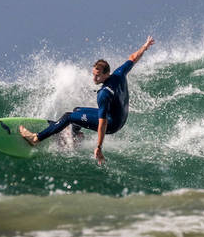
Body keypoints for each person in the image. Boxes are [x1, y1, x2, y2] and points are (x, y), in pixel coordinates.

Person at [19, 36, 155, 164]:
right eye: (93, 75)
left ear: (107, 74)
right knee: (77, 110)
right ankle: (74, 136)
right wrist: (145, 46)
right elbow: (133, 58)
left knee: (68, 117)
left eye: (98, 76)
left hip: (111, 124)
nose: (94, 79)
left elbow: (102, 124)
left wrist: (99, 147)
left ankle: (36, 138)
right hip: (120, 117)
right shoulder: (119, 74)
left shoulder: (104, 94)